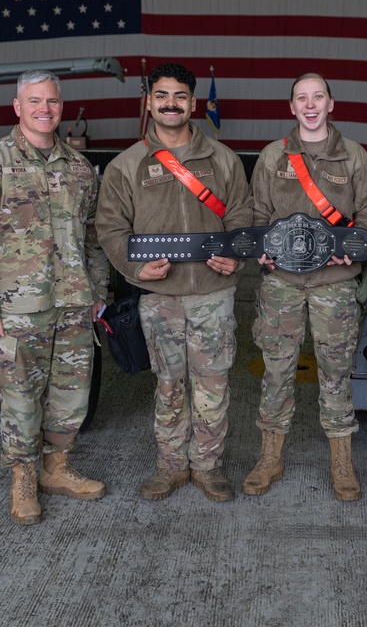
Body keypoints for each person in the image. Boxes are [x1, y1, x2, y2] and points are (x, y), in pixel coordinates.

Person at [0, 70, 109, 525]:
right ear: (17, 107)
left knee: (70, 395)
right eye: (34, 101)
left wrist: (98, 292)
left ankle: (56, 469)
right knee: (20, 398)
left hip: (74, 304)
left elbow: (93, 239)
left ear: (61, 106)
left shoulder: (78, 168)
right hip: (17, 309)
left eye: (52, 102)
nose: (45, 109)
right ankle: (23, 477)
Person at [96, 62, 253, 503]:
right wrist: (133, 270)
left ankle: (207, 466)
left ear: (193, 103)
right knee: (168, 384)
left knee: (213, 383)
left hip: (212, 294)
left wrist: (235, 254)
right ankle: (170, 467)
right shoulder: (128, 165)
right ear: (150, 101)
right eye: (162, 96)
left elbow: (242, 215)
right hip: (160, 297)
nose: (171, 104)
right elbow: (110, 229)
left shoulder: (221, 158)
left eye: (180, 96)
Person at [245, 72, 367, 501]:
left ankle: (342, 462)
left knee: (337, 374)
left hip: (335, 285)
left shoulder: (355, 157)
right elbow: (257, 216)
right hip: (282, 286)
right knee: (277, 372)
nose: (309, 105)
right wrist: (261, 249)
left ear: (331, 104)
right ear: (291, 108)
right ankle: (270, 457)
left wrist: (354, 250)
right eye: (301, 98)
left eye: (317, 97)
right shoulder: (273, 157)